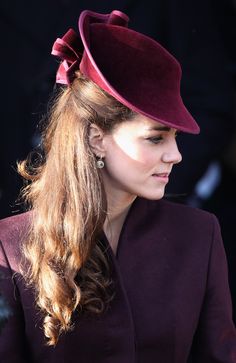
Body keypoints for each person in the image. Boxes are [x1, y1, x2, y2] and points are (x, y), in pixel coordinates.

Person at [0, 9, 235, 363]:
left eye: (175, 138)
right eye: (155, 139)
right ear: (97, 139)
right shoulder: (11, 246)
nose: (176, 155)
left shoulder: (201, 236)